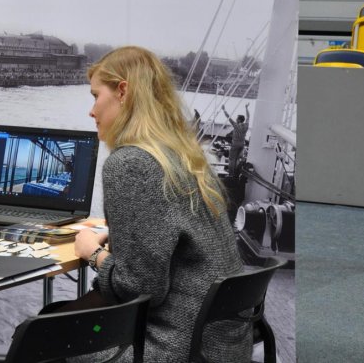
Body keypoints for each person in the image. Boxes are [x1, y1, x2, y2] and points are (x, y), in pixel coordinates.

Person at [66, 46, 250, 362]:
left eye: (96, 96)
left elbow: (141, 289)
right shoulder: (183, 155)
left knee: (42, 338)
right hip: (224, 343)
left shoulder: (130, 162)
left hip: (174, 347)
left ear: (122, 91)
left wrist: (92, 253)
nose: (92, 111)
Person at [222, 103, 250, 176]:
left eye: (237, 118)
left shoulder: (236, 125)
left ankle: (231, 174)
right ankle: (236, 174)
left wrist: (224, 110)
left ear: (239, 120)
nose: (236, 119)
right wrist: (246, 108)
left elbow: (229, 118)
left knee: (232, 159)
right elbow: (248, 117)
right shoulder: (246, 125)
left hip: (235, 144)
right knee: (237, 159)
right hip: (242, 144)